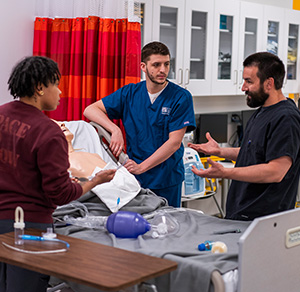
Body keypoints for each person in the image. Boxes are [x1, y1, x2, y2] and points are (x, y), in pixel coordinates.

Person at [0, 56, 116, 292]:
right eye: (56, 84)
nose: (61, 92)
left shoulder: (1, 114)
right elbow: (60, 194)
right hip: (28, 227)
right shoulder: (48, 132)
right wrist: (95, 181)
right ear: (40, 88)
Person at [188, 52, 300, 221]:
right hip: (242, 213)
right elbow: (254, 153)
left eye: (249, 81)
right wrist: (220, 152)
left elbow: (275, 171)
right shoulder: (262, 112)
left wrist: (225, 172)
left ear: (269, 83)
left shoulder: (286, 118)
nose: (243, 87)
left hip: (264, 220)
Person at [84, 41, 196, 207]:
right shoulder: (130, 93)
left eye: (166, 64)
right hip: (135, 177)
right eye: (156, 65)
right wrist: (115, 129)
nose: (163, 70)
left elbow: (174, 143)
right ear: (143, 67)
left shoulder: (181, 97)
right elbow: (90, 110)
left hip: (166, 178)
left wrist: (142, 167)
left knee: (169, 228)